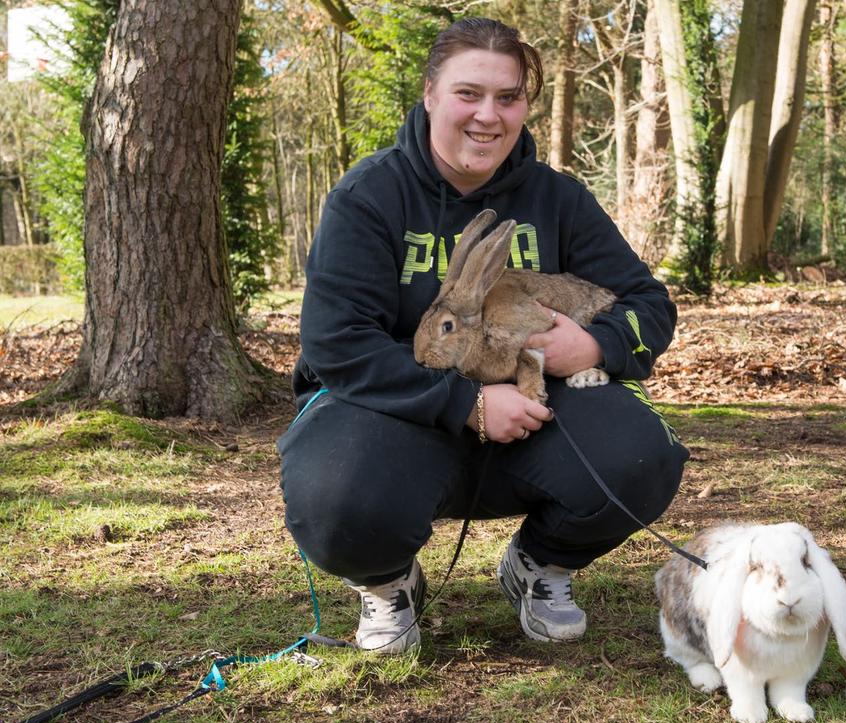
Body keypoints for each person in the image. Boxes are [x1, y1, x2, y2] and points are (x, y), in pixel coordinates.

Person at [277, 17, 689, 654]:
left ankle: (540, 564)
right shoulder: (368, 197)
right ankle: (388, 582)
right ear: (432, 94)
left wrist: (595, 346)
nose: (487, 116)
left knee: (643, 455)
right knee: (334, 494)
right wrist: (463, 403)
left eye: (508, 97)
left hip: (532, 415)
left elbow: (648, 305)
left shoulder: (558, 199)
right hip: (398, 420)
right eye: (468, 93)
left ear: (525, 105)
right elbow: (336, 343)